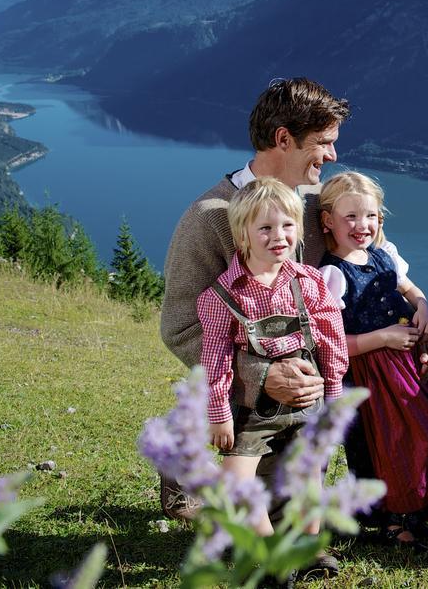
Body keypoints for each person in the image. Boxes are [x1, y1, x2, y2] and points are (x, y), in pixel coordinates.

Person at [159, 77, 350, 575]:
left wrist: (414, 297)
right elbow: (180, 327)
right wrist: (263, 376)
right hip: (246, 404)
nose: (332, 155)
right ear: (283, 139)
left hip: (303, 399)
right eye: (323, 143)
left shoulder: (309, 211)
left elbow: (364, 258)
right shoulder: (211, 217)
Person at [316, 172, 428, 545]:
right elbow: (332, 344)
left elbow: (409, 287)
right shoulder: (331, 274)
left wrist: (423, 306)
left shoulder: (385, 255)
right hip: (369, 376)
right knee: (388, 446)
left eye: (370, 216)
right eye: (351, 217)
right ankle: (395, 518)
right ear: (327, 220)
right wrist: (383, 337)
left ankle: (427, 504)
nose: (362, 225)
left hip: (406, 368)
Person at [197, 177, 348, 535]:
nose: (279, 236)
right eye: (265, 227)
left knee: (309, 478)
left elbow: (331, 341)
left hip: (308, 401)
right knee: (237, 479)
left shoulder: (309, 283)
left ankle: (307, 548)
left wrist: (334, 397)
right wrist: (219, 413)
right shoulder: (222, 296)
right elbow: (215, 356)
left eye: (287, 225)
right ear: (242, 234)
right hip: (253, 409)